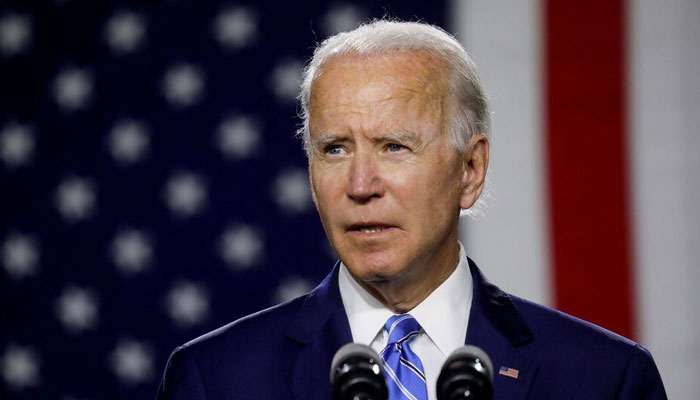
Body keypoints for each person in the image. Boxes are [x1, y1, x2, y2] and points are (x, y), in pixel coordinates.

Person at [156, 20, 667, 400]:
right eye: (335, 148)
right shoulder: (216, 379)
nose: (360, 185)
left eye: (394, 147)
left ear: (470, 169)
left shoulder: (603, 379)